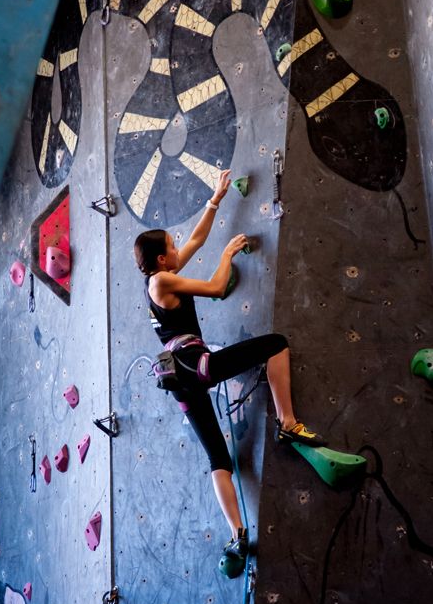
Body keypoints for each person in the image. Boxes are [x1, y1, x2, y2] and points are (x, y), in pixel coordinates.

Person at [134, 169, 323, 572]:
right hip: (196, 367)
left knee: (218, 458)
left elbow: (196, 239)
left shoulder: (159, 277)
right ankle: (287, 423)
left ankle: (237, 535)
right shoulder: (162, 282)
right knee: (276, 345)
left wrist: (215, 200)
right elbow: (219, 288)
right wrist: (226, 257)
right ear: (162, 259)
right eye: (171, 244)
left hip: (181, 382)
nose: (177, 244)